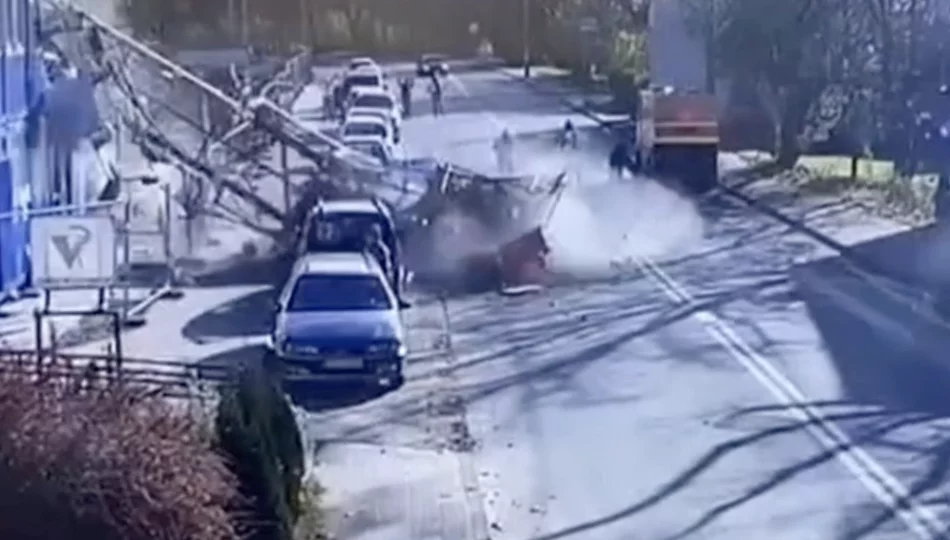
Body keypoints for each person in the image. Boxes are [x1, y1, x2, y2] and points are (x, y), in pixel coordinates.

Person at [364, 224, 411, 308]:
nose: (377, 235)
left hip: (386, 271)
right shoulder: (372, 247)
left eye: (378, 233)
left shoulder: (380, 245)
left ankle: (396, 300)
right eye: (375, 233)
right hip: (378, 273)